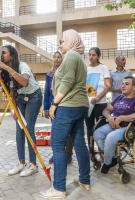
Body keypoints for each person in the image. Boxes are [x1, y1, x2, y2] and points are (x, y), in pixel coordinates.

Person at [40, 29, 90, 199]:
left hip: (68, 106)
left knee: (58, 144)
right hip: (80, 106)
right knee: (79, 144)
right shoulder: (80, 59)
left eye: (62, 41)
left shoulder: (71, 56)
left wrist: (54, 104)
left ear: (71, 40)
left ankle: (59, 189)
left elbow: (67, 81)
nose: (60, 44)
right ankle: (85, 180)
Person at [0, 45, 42, 177]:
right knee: (19, 129)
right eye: (0, 53)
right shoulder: (3, 71)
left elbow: (24, 82)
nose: (1, 55)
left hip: (34, 96)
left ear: (12, 56)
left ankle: (33, 165)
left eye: (4, 53)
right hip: (20, 98)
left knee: (28, 128)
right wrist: (12, 108)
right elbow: (11, 90)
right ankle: (21, 163)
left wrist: (6, 67)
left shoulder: (22, 65)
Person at [93, 76, 135, 174]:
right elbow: (106, 110)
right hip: (113, 124)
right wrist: (109, 117)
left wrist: (122, 117)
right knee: (97, 134)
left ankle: (107, 163)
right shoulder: (119, 98)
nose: (123, 86)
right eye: (122, 84)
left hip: (129, 128)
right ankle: (113, 157)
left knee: (110, 138)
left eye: (127, 84)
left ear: (134, 87)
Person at [43, 51, 73, 165]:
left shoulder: (66, 72)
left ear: (62, 59)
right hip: (52, 107)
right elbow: (46, 92)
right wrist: (46, 107)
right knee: (55, 132)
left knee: (67, 132)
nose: (56, 59)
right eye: (54, 57)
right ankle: (57, 154)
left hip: (65, 105)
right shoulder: (49, 74)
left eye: (59, 57)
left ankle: (68, 154)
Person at [85, 47, 111, 160]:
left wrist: (98, 97)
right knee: (89, 128)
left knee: (101, 129)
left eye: (94, 55)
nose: (91, 57)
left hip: (100, 103)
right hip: (89, 103)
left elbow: (108, 86)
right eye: (90, 54)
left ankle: (103, 152)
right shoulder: (86, 69)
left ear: (98, 56)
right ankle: (91, 152)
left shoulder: (103, 68)